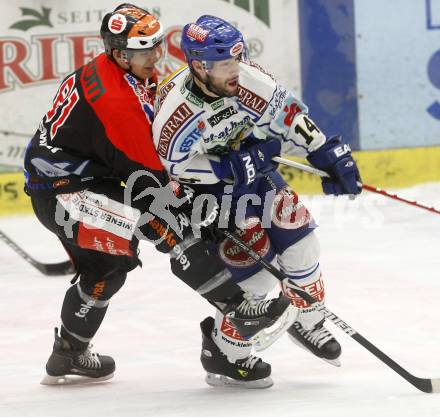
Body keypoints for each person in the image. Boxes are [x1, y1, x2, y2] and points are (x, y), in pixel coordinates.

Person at [23, 5, 294, 386]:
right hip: (65, 195)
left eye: (157, 45)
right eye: (146, 49)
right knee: (164, 223)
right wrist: (200, 208)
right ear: (120, 54)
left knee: (107, 271)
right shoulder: (117, 100)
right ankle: (239, 309)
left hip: (82, 183)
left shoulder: (126, 73)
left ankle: (68, 354)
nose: (157, 55)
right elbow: (154, 178)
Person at [152, 15, 362, 388]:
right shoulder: (177, 113)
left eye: (237, 58)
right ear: (199, 66)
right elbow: (177, 168)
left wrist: (324, 150)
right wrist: (228, 167)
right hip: (211, 196)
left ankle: (308, 320)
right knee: (257, 278)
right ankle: (225, 353)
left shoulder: (248, 80)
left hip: (256, 174)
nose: (235, 70)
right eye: (224, 64)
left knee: (303, 245)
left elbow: (288, 115)